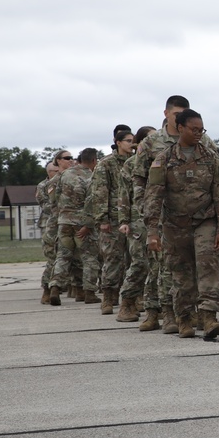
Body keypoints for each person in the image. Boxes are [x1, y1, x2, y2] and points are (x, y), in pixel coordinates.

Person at [144, 109, 219, 339]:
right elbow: (153, 196)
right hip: (175, 225)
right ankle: (184, 318)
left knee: (208, 264)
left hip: (205, 220)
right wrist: (152, 231)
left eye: (201, 130)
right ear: (180, 127)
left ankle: (208, 316)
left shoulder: (211, 159)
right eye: (194, 129)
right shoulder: (163, 159)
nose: (198, 134)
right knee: (181, 272)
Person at [132, 95, 216, 333]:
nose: (179, 117)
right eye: (176, 113)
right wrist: (144, 208)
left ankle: (193, 314)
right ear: (166, 114)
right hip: (159, 211)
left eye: (184, 113)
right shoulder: (151, 143)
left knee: (192, 265)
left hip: (194, 213)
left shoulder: (203, 140)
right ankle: (160, 312)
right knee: (161, 266)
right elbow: (139, 177)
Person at [48, 148, 100, 306]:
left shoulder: (65, 174)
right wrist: (88, 224)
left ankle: (55, 288)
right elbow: (92, 202)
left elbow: (53, 194)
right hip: (81, 224)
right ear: (93, 161)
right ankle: (89, 292)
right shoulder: (91, 177)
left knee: (63, 256)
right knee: (89, 257)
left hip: (64, 222)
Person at [91, 128, 134, 315]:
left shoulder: (136, 162)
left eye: (134, 140)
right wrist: (102, 219)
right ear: (118, 142)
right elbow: (100, 192)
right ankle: (108, 297)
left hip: (133, 218)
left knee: (134, 260)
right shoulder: (106, 164)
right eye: (128, 140)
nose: (132, 144)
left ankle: (133, 297)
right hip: (113, 219)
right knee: (113, 259)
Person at [117, 126, 155, 323]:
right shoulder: (131, 165)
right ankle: (127, 302)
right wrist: (124, 221)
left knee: (159, 266)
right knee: (140, 263)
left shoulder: (163, 160)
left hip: (160, 218)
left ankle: (154, 305)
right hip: (138, 220)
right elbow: (124, 195)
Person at [36, 159, 62, 304]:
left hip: (64, 223)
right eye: (55, 171)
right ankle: (47, 288)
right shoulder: (43, 185)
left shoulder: (64, 181)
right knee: (52, 257)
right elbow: (46, 205)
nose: (57, 173)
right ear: (50, 172)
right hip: (49, 224)